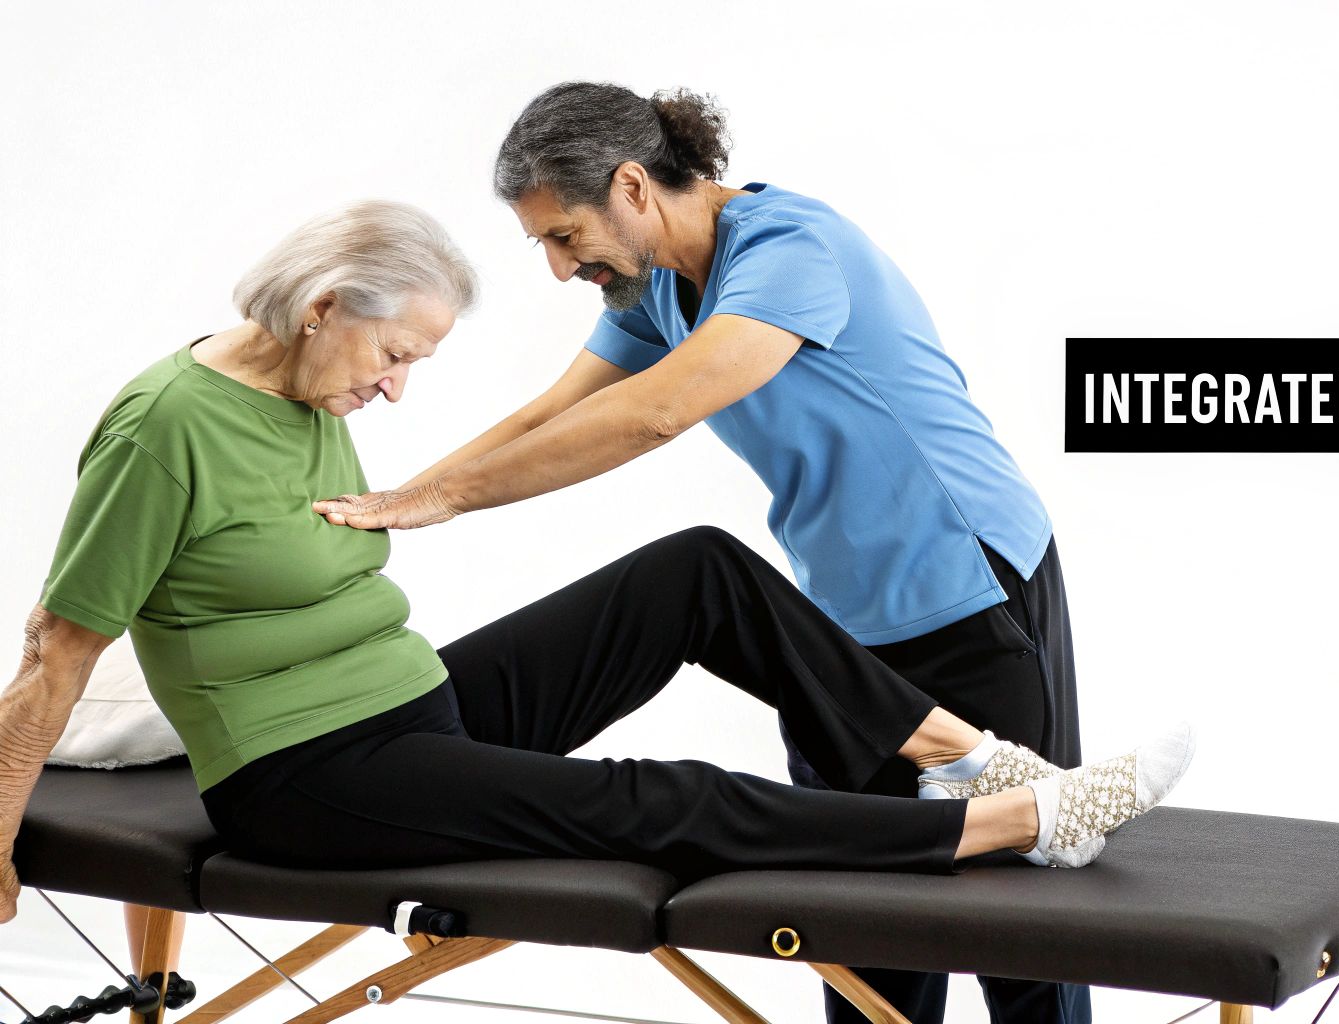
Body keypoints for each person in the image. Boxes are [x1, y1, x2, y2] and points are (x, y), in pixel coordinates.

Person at [0, 201, 1196, 938]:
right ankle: (1014, 822)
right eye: (393, 356)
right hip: (308, 778)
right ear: (319, 308)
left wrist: (428, 496)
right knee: (657, 793)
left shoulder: (309, 384)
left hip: (419, 712)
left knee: (696, 572)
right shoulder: (166, 428)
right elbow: (58, 647)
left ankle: (969, 754)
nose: (395, 388)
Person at [311, 81, 1096, 1024]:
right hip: (838, 626)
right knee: (860, 931)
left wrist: (442, 500)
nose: (561, 270)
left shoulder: (789, 251)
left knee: (1021, 937)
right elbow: (550, 413)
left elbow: (654, 413)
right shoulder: (656, 289)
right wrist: (396, 500)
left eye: (565, 237)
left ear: (633, 188)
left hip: (970, 586)